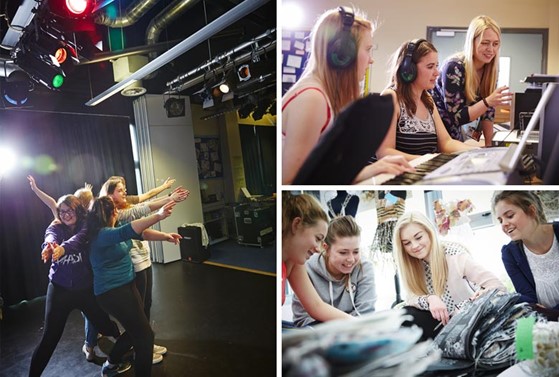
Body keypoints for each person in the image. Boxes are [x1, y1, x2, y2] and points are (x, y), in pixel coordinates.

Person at [281, 6, 414, 184]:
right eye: (367, 49)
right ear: (344, 54)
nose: (371, 59)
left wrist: (373, 168)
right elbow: (292, 184)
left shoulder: (321, 96)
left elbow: (319, 178)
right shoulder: (312, 99)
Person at [92, 177, 189, 364]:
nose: (124, 192)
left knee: (145, 310)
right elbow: (142, 212)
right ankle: (132, 351)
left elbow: (146, 202)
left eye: (124, 188)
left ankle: (145, 345)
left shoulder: (120, 213)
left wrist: (165, 235)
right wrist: (169, 200)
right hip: (120, 281)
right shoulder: (113, 220)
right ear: (110, 195)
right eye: (120, 190)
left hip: (139, 266)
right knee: (139, 321)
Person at [28, 195, 121, 376]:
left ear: (78, 210)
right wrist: (48, 247)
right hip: (60, 290)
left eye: (69, 211)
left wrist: (62, 249)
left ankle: (127, 342)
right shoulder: (55, 226)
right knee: (49, 338)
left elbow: (79, 239)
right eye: (62, 212)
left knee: (105, 325)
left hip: (85, 289)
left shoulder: (86, 226)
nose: (65, 215)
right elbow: (49, 236)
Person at [393, 211, 505, 339]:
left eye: (418, 237)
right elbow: (411, 298)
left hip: (471, 323)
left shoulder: (454, 255)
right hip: (444, 326)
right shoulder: (413, 266)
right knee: (405, 315)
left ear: (429, 233)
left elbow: (497, 286)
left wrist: (477, 299)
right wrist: (430, 299)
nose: (415, 246)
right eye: (407, 243)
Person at [377, 39, 475, 161]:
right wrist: (425, 160)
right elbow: (384, 152)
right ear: (409, 70)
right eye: (430, 67)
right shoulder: (391, 98)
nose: (437, 73)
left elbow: (446, 142)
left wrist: (474, 152)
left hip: (416, 171)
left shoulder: (428, 100)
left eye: (436, 66)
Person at [432, 15, 513, 146]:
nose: (491, 49)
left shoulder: (491, 70)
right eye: (485, 43)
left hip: (459, 135)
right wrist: (487, 102)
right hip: (439, 133)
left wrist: (489, 146)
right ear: (472, 42)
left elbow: (488, 114)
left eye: (495, 44)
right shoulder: (454, 67)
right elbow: (456, 118)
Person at [292, 215, 376, 327]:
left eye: (356, 251)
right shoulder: (305, 269)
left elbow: (365, 315)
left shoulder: (364, 268)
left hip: (356, 335)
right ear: (326, 248)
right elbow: (302, 319)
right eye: (343, 252)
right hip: (317, 337)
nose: (351, 259)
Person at [282, 193, 353, 324]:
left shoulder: (294, 262)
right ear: (296, 224)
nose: (318, 249)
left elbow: (316, 306)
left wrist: (358, 324)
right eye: (317, 239)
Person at [493, 191, 559, 321]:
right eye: (500, 220)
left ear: (532, 211)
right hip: (549, 322)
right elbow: (529, 299)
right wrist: (498, 296)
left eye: (510, 216)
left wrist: (551, 313)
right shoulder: (509, 254)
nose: (504, 224)